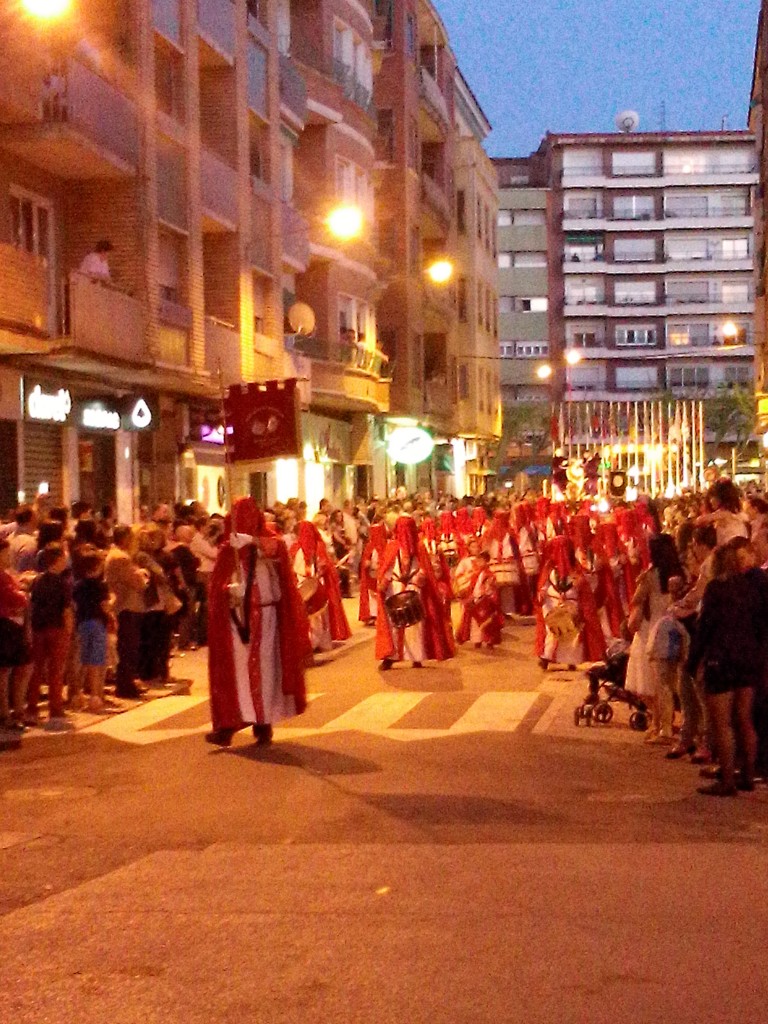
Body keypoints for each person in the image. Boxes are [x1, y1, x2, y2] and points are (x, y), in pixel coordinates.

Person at [206, 497, 310, 747]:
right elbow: (216, 587)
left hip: (268, 618)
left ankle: (263, 724)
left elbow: (277, 552)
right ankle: (228, 725)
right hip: (237, 621)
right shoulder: (227, 548)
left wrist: (251, 541)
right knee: (237, 675)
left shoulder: (268, 541)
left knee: (265, 673)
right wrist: (230, 589)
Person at [688, 540, 768, 796]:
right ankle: (747, 773)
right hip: (747, 659)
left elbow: (705, 628)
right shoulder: (752, 588)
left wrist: (693, 661)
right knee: (744, 719)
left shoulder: (716, 589)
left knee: (721, 723)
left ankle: (727, 779)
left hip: (721, 659)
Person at [375, 515, 455, 671]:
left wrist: (419, 578)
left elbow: (425, 569)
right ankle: (391, 656)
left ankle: (416, 657)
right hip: (396, 587)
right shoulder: (393, 547)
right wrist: (383, 584)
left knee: (415, 625)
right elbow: (387, 567)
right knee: (394, 624)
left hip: (412, 587)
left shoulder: (419, 548)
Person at [624, 534, 684, 743]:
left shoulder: (652, 575)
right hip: (674, 627)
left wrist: (640, 581)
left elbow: (636, 599)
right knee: (666, 681)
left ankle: (661, 725)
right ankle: (659, 723)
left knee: (651, 682)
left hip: (653, 629)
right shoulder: (681, 573)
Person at [535, 536, 605, 671]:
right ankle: (547, 656)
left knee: (573, 632)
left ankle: (572, 659)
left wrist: (578, 585)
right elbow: (543, 584)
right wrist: (542, 593)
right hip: (553, 603)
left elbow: (585, 585)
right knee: (553, 631)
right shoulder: (549, 568)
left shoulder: (576, 569)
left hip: (571, 604)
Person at [27, 544, 74, 728]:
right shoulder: (62, 583)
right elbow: (66, 609)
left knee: (36, 669)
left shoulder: (37, 580)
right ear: (58, 560)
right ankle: (55, 707)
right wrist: (69, 630)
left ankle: (32, 707)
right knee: (56, 670)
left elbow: (32, 605)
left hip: (39, 628)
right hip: (57, 628)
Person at [105, 525, 149, 700]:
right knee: (128, 648)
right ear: (124, 538)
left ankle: (128, 682)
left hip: (127, 606)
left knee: (129, 647)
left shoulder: (118, 555)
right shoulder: (120, 558)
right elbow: (137, 581)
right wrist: (142, 575)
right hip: (126, 606)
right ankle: (125, 685)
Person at [72, 550, 113, 714]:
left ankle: (76, 694)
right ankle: (95, 695)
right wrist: (111, 610)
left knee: (80, 660)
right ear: (97, 567)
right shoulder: (101, 585)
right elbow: (105, 605)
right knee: (96, 660)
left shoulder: (78, 585)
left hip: (81, 623)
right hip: (97, 623)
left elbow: (74, 605)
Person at [0, 538, 33, 731]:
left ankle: (14, 711)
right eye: (4, 553)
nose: (7, 556)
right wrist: (23, 592)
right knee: (8, 671)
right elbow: (15, 598)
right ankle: (9, 714)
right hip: (6, 626)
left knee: (19, 668)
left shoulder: (7, 574)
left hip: (13, 626)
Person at [456, 550, 504, 649]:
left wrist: (486, 595)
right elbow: (471, 587)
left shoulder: (490, 575)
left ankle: (489, 641)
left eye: (481, 561)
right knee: (474, 623)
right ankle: (477, 640)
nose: (478, 563)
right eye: (478, 561)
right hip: (475, 600)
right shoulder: (475, 575)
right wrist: (466, 594)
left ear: (486, 561)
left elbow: (491, 589)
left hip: (485, 601)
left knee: (488, 622)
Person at [358, 520, 388, 626]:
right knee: (373, 597)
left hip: (381, 573)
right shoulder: (369, 546)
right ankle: (373, 615)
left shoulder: (386, 545)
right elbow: (365, 560)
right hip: (371, 574)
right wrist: (367, 563)